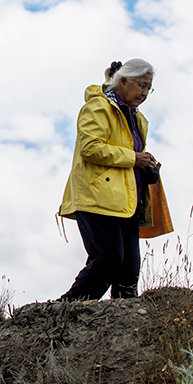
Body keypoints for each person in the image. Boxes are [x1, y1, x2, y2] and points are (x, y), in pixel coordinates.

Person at [57, 59, 157, 301]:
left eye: (148, 88)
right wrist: (134, 158)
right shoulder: (98, 107)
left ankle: (125, 325)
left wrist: (149, 167)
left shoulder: (136, 117)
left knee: (128, 271)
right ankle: (65, 310)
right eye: (141, 86)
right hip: (97, 196)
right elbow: (90, 148)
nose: (144, 93)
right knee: (108, 259)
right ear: (123, 81)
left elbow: (129, 157)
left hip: (126, 200)